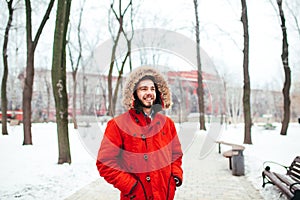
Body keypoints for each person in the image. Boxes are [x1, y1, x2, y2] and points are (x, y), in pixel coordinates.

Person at [96, 66, 183, 200]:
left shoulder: (168, 124)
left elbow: (176, 154)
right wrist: (131, 186)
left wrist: (175, 176)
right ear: (134, 93)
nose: (149, 93)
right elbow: (105, 162)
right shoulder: (118, 125)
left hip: (164, 195)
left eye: (152, 89)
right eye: (143, 89)